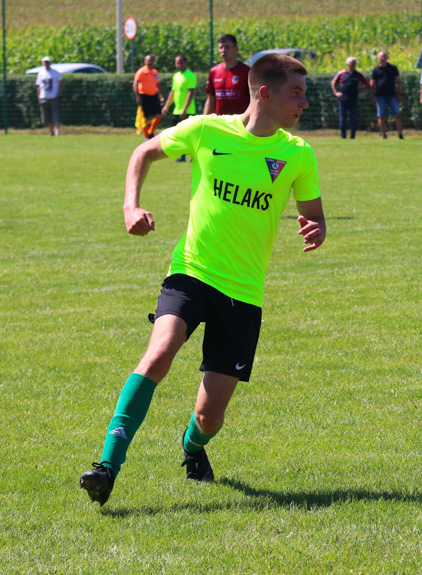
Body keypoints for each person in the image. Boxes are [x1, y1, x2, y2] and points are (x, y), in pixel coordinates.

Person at [79, 54, 326, 506]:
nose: (305, 102)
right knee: (158, 354)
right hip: (192, 272)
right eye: (297, 92)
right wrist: (130, 205)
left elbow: (314, 214)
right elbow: (144, 151)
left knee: (210, 417)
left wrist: (317, 227)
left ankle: (193, 448)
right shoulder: (206, 130)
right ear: (264, 93)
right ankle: (106, 467)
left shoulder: (298, 154)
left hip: (244, 292)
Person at [203, 34, 251, 116]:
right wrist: (204, 120)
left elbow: (254, 100)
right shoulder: (214, 71)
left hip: (241, 123)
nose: (223, 50)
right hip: (221, 123)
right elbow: (211, 100)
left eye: (227, 47)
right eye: (221, 47)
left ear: (236, 48)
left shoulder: (247, 71)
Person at [161, 54, 197, 162]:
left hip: (187, 111)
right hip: (177, 110)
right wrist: (166, 106)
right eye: (177, 62)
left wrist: (185, 109)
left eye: (181, 62)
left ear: (186, 63)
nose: (179, 64)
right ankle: (182, 155)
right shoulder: (176, 76)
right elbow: (172, 92)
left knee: (189, 134)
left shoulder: (190, 75)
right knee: (178, 135)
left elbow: (191, 93)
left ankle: (193, 154)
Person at [331, 57, 370, 139]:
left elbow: (366, 84)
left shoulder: (358, 74)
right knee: (342, 120)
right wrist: (336, 92)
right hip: (343, 100)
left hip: (353, 100)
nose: (353, 65)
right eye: (352, 63)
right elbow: (333, 82)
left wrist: (360, 91)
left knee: (354, 120)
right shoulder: (342, 73)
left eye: (354, 63)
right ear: (347, 64)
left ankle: (352, 136)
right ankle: (343, 137)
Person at [370, 51, 404, 139]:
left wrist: (399, 93)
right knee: (381, 116)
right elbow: (372, 84)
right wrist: (373, 96)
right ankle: (384, 135)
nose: (383, 58)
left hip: (392, 95)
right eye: (381, 57)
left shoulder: (393, 68)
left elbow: (399, 81)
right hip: (380, 96)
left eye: (384, 56)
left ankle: (400, 134)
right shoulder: (375, 70)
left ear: (387, 57)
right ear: (378, 58)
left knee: (397, 114)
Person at [133, 54, 164, 140]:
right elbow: (135, 83)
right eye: (148, 61)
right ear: (145, 61)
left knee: (159, 115)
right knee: (145, 118)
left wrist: (161, 96)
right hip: (144, 96)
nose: (149, 62)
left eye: (151, 61)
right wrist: (138, 96)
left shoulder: (155, 72)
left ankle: (150, 132)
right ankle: (146, 136)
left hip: (153, 96)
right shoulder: (141, 71)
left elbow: (157, 85)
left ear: (154, 61)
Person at [35, 56, 63, 136]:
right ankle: (51, 131)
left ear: (50, 63)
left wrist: (59, 93)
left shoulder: (55, 72)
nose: (46, 63)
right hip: (44, 97)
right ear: (43, 63)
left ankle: (57, 131)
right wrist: (39, 96)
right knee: (47, 117)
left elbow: (61, 82)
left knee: (55, 115)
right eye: (45, 62)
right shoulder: (40, 73)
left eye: (47, 62)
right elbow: (38, 85)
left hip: (53, 97)